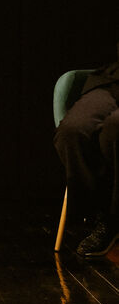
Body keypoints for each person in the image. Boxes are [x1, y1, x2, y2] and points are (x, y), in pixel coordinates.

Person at [54, 50, 119, 257]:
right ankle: (100, 214)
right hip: (114, 80)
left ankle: (113, 218)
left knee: (114, 128)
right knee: (73, 131)